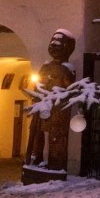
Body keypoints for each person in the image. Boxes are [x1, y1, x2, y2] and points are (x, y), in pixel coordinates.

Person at [26, 29, 77, 170]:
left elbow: (68, 90)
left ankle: (55, 164)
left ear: (68, 47)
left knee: (56, 137)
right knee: (38, 136)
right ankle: (36, 160)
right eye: (52, 41)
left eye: (58, 42)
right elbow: (38, 84)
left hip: (57, 111)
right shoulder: (46, 66)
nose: (54, 44)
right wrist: (38, 93)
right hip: (42, 108)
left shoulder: (67, 69)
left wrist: (55, 97)